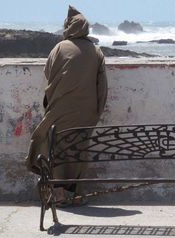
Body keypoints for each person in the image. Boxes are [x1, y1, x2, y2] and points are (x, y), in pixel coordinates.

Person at [25, 5, 108, 206]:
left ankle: (58, 192)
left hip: (60, 108)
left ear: (69, 27)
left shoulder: (59, 48)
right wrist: (96, 110)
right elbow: (102, 86)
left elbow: (49, 73)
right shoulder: (96, 51)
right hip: (86, 112)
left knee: (51, 144)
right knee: (78, 149)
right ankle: (75, 193)